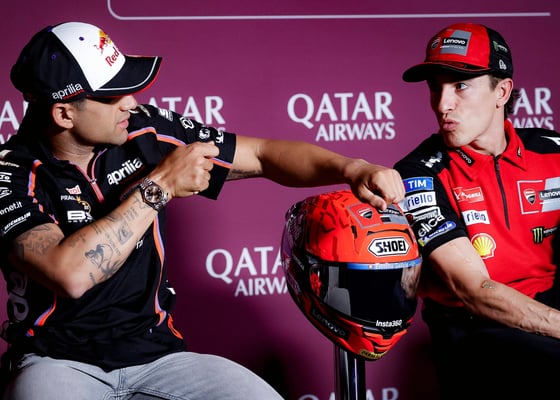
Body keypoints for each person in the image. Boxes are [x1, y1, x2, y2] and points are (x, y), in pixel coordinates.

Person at [0, 22, 405, 400]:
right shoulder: (10, 172)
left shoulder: (146, 130)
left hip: (157, 357)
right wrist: (160, 185)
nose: (131, 103)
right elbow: (69, 274)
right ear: (64, 113)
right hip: (57, 362)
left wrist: (352, 167)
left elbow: (263, 155)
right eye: (112, 96)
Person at [394, 22, 560, 400]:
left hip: (550, 307)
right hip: (477, 331)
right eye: (435, 87)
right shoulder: (418, 173)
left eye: (460, 86)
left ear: (502, 91)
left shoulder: (552, 152)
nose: (442, 104)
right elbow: (475, 291)